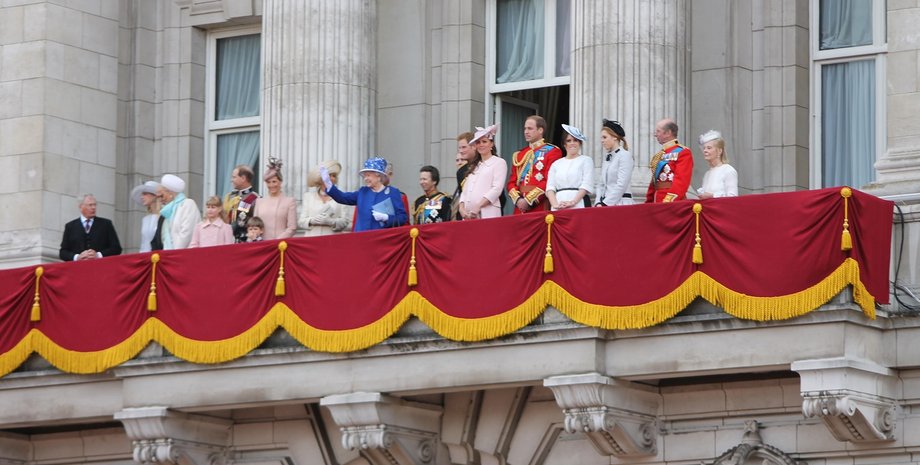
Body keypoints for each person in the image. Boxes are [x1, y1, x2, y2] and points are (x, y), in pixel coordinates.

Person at [321, 157, 409, 232]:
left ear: (379, 176)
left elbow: (402, 218)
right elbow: (342, 197)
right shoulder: (363, 192)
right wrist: (328, 184)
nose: (365, 178)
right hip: (361, 240)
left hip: (382, 242)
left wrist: (386, 218)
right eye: (364, 176)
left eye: (368, 175)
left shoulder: (393, 193)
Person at [507, 115, 563, 214]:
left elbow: (549, 180)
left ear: (540, 130)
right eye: (525, 128)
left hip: (540, 205)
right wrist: (518, 200)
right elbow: (512, 182)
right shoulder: (519, 155)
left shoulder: (552, 151)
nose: (526, 132)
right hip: (519, 208)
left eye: (530, 128)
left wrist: (529, 200)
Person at [459, 125, 508, 220]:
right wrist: (461, 209)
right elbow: (464, 192)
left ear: (492, 144)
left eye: (484, 141)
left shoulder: (499, 162)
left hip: (488, 213)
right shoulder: (474, 165)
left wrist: (478, 207)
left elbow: (496, 189)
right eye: (478, 142)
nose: (481, 145)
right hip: (468, 217)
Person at [59, 194, 122, 261]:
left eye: (95, 205)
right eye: (90, 205)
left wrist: (98, 255)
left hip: (100, 268)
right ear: (81, 207)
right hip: (77, 268)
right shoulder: (70, 226)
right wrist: (77, 257)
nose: (93, 207)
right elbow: (63, 252)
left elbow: (116, 248)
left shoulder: (106, 224)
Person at [299, 160, 354, 237]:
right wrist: (312, 220)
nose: (331, 178)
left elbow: (345, 221)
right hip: (312, 241)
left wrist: (331, 222)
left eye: (334, 176)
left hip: (332, 242)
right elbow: (301, 221)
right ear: (320, 178)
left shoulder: (341, 197)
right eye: (329, 175)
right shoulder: (308, 197)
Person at [546, 124, 594, 210]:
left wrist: (573, 202)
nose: (572, 143)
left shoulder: (586, 160)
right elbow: (550, 187)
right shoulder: (556, 164)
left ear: (580, 143)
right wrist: (555, 205)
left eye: (575, 140)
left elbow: (586, 184)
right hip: (558, 205)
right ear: (564, 144)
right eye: (568, 140)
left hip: (579, 204)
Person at [646, 118, 693, 203]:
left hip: (671, 202)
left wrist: (669, 200)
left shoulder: (683, 152)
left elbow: (681, 181)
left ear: (668, 133)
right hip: (656, 201)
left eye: (658, 131)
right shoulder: (659, 155)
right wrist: (649, 201)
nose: (655, 135)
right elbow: (654, 182)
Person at [253, 158, 297, 240]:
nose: (271, 185)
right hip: (262, 244)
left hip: (280, 245)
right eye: (268, 182)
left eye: (274, 181)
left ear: (280, 182)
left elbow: (292, 227)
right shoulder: (259, 202)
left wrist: (277, 241)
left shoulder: (289, 201)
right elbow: (255, 224)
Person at [595, 119, 635, 206]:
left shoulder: (625, 155)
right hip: (605, 205)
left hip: (621, 204)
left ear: (615, 137)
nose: (602, 140)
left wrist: (606, 204)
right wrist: (598, 202)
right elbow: (601, 184)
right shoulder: (608, 157)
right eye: (601, 138)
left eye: (605, 137)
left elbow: (621, 184)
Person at [158, 173, 200, 250]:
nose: (161, 199)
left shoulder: (188, 204)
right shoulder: (168, 211)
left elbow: (187, 233)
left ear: (170, 193)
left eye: (162, 195)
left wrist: (175, 254)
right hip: (170, 256)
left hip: (183, 255)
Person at [697, 130, 739, 199]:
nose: (705, 150)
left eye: (709, 148)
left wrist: (712, 196)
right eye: (704, 148)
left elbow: (733, 198)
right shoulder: (707, 174)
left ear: (719, 151)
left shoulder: (728, 170)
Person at [223, 165, 260, 243]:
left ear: (243, 178)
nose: (231, 180)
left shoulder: (255, 198)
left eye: (234, 177)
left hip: (244, 242)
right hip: (227, 241)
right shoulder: (230, 196)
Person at [130, 180, 161, 252]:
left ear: (154, 195)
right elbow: (144, 243)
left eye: (145, 194)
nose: (142, 197)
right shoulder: (145, 219)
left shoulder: (164, 217)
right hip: (146, 257)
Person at [451, 131, 474, 220]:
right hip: (465, 217)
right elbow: (462, 196)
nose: (461, 151)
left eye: (464, 147)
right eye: (459, 148)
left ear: (473, 146)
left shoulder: (484, 165)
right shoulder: (460, 172)